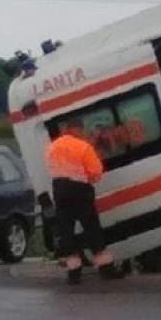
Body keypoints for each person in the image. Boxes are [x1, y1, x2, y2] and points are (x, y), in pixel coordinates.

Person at [48, 120, 118, 284]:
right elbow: (96, 171)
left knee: (66, 231)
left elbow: (52, 168)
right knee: (92, 229)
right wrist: (89, 179)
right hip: (80, 191)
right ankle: (106, 269)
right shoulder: (83, 146)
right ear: (77, 129)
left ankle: (74, 273)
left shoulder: (52, 147)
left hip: (60, 191)